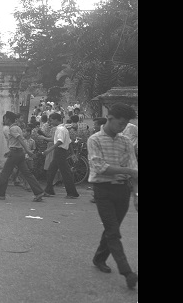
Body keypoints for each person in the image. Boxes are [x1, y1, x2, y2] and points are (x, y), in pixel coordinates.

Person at [87, 103, 138, 289]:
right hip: (103, 191)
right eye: (120, 123)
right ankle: (127, 272)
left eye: (125, 125)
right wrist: (129, 171)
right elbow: (100, 167)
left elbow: (135, 169)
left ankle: (99, 258)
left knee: (112, 228)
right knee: (113, 231)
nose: (122, 128)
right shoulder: (94, 140)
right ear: (109, 119)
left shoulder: (125, 141)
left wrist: (136, 194)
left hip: (122, 191)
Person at [0, 111, 45, 202]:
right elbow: (17, 142)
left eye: (5, 118)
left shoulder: (12, 129)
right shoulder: (18, 128)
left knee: (5, 173)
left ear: (8, 119)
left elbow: (20, 139)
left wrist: (28, 150)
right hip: (19, 153)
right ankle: (38, 192)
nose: (4, 120)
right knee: (27, 174)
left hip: (15, 153)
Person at [41, 113, 80, 198]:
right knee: (52, 171)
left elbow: (60, 141)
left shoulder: (60, 129)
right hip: (61, 152)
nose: (50, 122)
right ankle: (49, 190)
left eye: (51, 120)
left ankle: (71, 193)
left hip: (59, 151)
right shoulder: (64, 129)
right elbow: (69, 142)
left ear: (56, 120)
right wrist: (72, 153)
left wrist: (48, 150)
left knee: (65, 173)